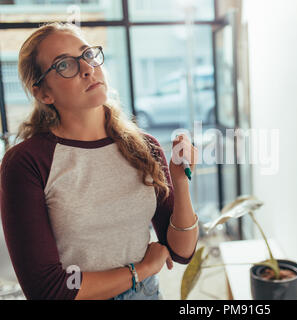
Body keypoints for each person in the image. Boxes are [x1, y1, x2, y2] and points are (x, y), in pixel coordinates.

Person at [0, 22, 199, 300]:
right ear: (44, 94)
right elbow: (48, 290)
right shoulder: (26, 162)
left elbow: (182, 251)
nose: (86, 68)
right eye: (64, 65)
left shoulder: (145, 147)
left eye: (88, 55)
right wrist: (141, 270)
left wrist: (181, 181)